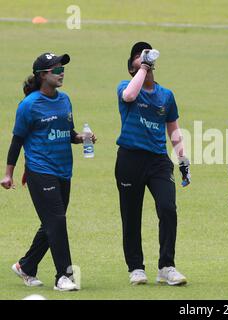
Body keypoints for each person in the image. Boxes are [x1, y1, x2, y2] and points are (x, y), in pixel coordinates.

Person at [1, 52, 96, 291]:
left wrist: (82, 138)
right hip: (39, 170)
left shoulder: (65, 100)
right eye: (56, 70)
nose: (61, 73)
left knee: (52, 223)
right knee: (57, 221)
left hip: (64, 170)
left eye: (62, 68)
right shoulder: (29, 105)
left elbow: (69, 133)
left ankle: (26, 266)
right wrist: (8, 173)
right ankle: (63, 277)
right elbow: (17, 141)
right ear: (42, 75)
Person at [115, 41, 190, 286]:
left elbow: (173, 128)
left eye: (146, 54)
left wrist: (182, 158)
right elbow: (130, 96)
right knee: (131, 215)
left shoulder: (166, 95)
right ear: (131, 68)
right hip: (129, 158)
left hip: (158, 161)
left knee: (168, 208)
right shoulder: (125, 86)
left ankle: (166, 266)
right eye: (137, 56)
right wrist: (143, 69)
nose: (143, 56)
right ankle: (135, 267)